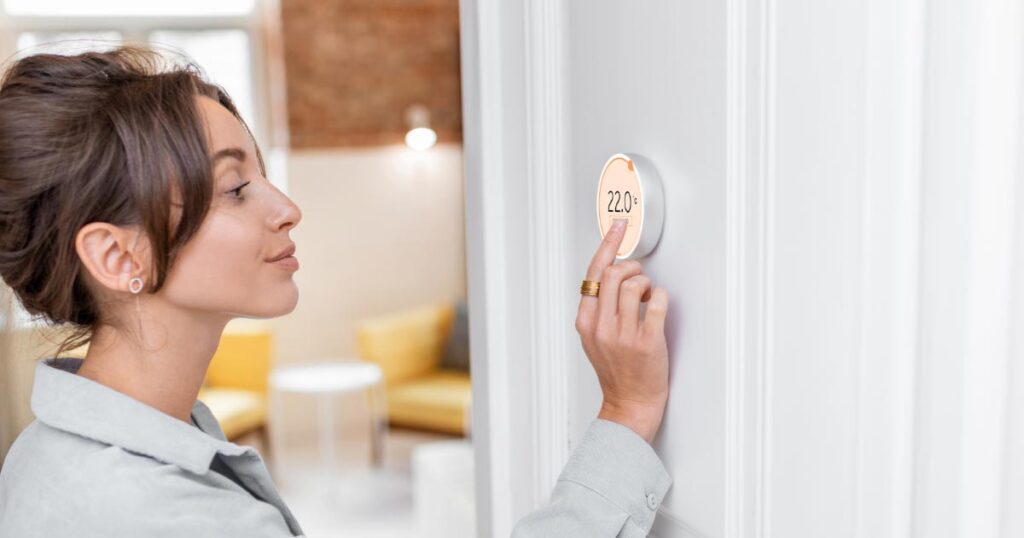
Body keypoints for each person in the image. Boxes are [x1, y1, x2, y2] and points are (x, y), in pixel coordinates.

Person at [0, 45, 672, 537]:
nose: (287, 206)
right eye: (236, 188)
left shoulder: (41, 455)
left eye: (262, 174)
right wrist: (626, 410)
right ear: (118, 256)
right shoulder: (166, 513)